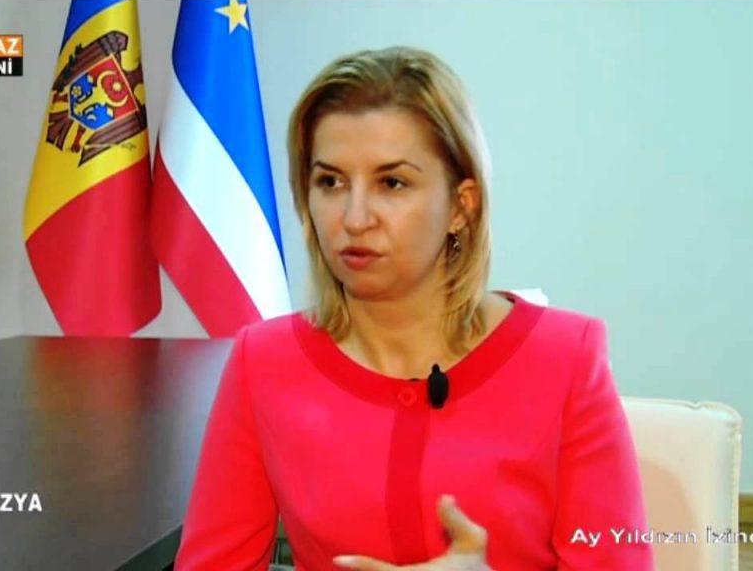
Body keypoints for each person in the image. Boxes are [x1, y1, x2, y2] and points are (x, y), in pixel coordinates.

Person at [174, 46, 654, 571]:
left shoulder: (566, 359)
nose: (355, 218)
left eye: (392, 183)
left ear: (461, 206)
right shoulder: (263, 362)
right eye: (330, 182)